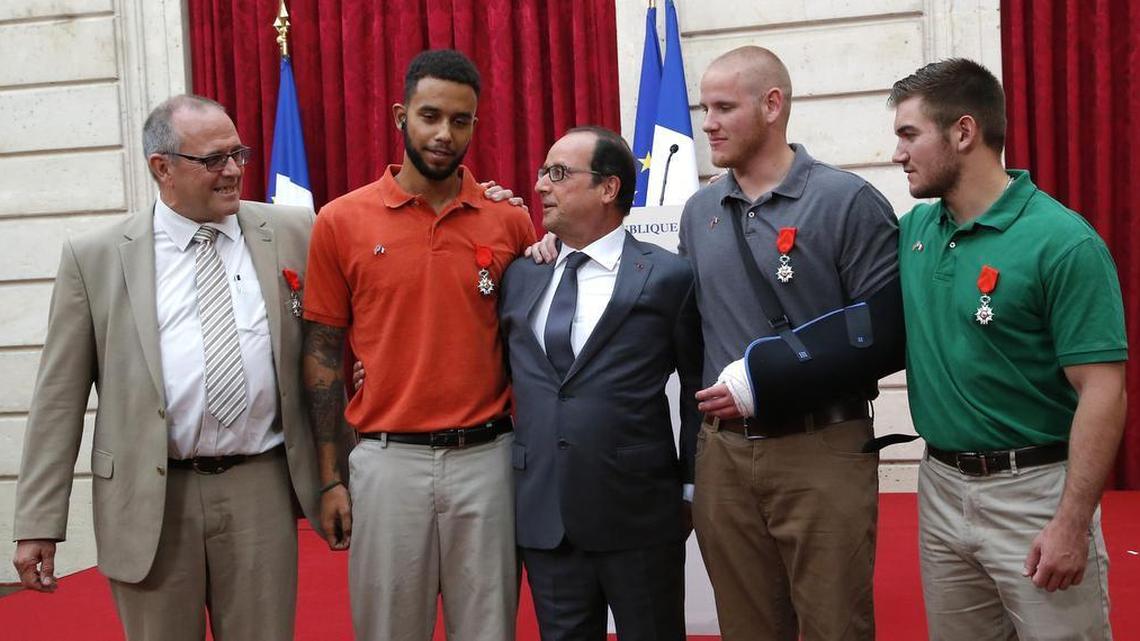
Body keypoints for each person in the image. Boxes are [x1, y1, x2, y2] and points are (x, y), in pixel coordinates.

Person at [10, 94, 321, 640]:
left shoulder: (297, 232)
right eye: (213, 160)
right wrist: (39, 522)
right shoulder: (98, 257)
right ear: (163, 168)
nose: (233, 172)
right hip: (151, 497)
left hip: (259, 488)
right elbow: (58, 400)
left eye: (239, 154)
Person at [301, 49, 536, 641]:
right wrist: (330, 479)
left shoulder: (509, 221)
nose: (443, 134)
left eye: (460, 121)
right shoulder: (339, 220)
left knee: (489, 631)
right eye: (430, 116)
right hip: (386, 463)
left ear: (475, 126)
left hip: (487, 461)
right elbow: (325, 354)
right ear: (401, 115)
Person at [890, 58, 1126, 641]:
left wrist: (1071, 523)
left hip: (1036, 494)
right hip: (940, 486)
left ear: (964, 132)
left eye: (908, 134)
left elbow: (1104, 389)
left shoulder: (1064, 243)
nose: (898, 153)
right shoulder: (915, 231)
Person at [681, 46, 899, 640]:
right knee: (746, 629)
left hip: (821, 448)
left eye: (724, 107)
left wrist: (768, 380)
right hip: (723, 458)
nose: (708, 124)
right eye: (705, 107)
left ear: (773, 105)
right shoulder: (699, 211)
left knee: (835, 627)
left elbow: (886, 336)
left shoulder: (846, 202)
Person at [499, 126, 702, 639]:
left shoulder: (668, 277)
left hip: (638, 513)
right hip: (545, 513)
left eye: (560, 173)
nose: (543, 185)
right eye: (544, 172)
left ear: (608, 189)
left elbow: (697, 391)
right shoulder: (522, 274)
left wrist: (691, 486)